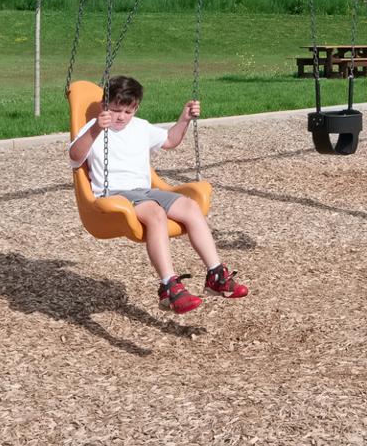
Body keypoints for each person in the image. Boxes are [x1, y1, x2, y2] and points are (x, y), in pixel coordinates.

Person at [67, 75, 249, 314]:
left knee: (191, 207)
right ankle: (169, 286)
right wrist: (97, 130)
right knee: (155, 213)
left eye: (127, 111)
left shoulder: (141, 126)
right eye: (114, 110)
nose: (120, 117)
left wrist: (184, 119)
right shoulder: (95, 128)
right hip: (114, 193)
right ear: (104, 106)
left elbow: (171, 140)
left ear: (136, 108)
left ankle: (216, 274)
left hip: (146, 191)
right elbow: (74, 157)